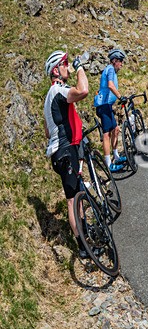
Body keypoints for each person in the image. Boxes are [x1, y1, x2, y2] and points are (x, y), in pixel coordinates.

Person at [44, 50, 90, 256]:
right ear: (56, 70)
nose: (67, 66)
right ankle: (82, 247)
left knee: (77, 194)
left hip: (59, 152)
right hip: (65, 149)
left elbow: (47, 130)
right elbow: (83, 91)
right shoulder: (58, 90)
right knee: (72, 199)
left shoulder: (48, 98)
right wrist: (79, 66)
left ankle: (86, 235)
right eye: (64, 63)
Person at [93, 49, 126, 172]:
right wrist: (120, 97)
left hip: (107, 106)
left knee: (116, 129)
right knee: (106, 134)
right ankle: (108, 163)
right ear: (114, 60)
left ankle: (116, 156)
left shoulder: (111, 70)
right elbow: (110, 85)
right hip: (103, 105)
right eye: (120, 61)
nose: (122, 64)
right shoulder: (110, 69)